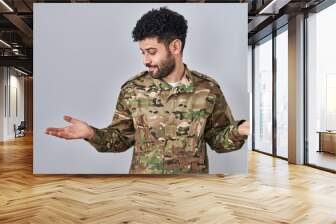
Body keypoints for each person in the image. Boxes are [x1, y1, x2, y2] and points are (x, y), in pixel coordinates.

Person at [45, 7, 250, 174]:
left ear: (175, 47)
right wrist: (91, 133)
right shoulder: (133, 90)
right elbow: (120, 140)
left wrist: (239, 131)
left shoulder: (208, 89)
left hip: (191, 191)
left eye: (152, 52)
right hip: (143, 192)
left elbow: (218, 141)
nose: (145, 60)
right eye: (143, 52)